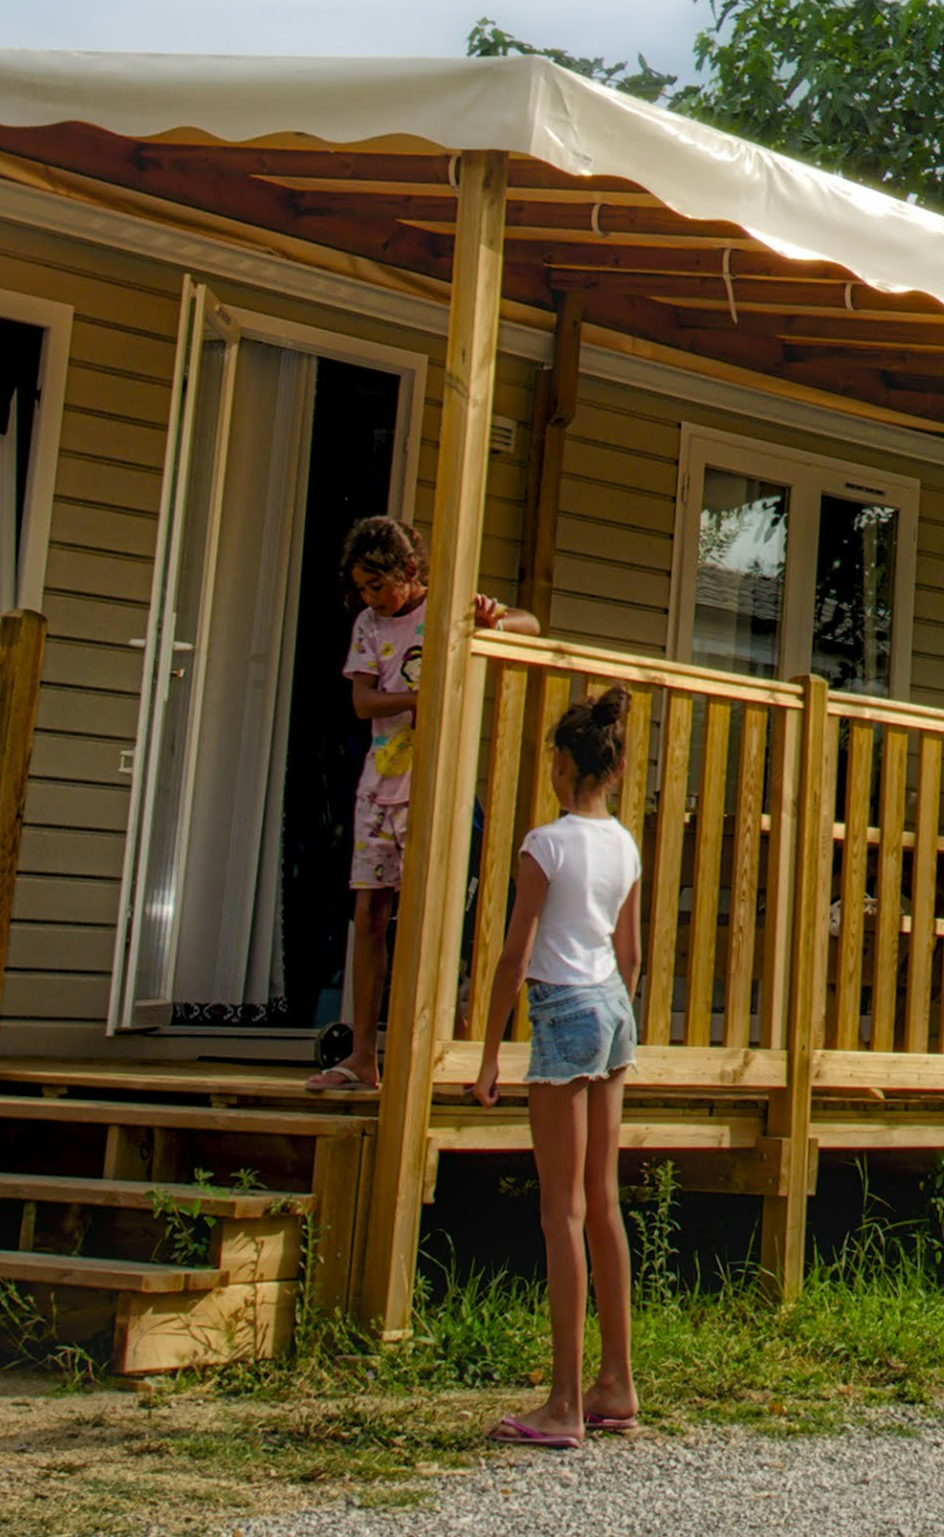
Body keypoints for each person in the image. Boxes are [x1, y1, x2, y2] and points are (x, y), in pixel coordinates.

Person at [474, 685, 644, 1450]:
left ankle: (565, 1404)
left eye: (551, 758)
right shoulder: (624, 844)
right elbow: (629, 953)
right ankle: (618, 1383)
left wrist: (489, 1053)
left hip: (563, 1009)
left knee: (561, 1212)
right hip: (612, 1009)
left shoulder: (545, 845)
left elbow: (515, 955)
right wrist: (616, 1019)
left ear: (566, 765)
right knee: (603, 1203)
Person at [312, 514, 506, 1097]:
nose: (371, 597)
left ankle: (432, 1048)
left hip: (434, 786)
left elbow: (528, 623)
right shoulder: (369, 625)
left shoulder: (445, 609)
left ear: (410, 570)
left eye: (378, 584)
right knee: (370, 915)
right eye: (362, 588)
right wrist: (422, 696)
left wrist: (493, 615)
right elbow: (363, 701)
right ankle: (362, 1055)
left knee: (434, 917)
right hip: (380, 787)